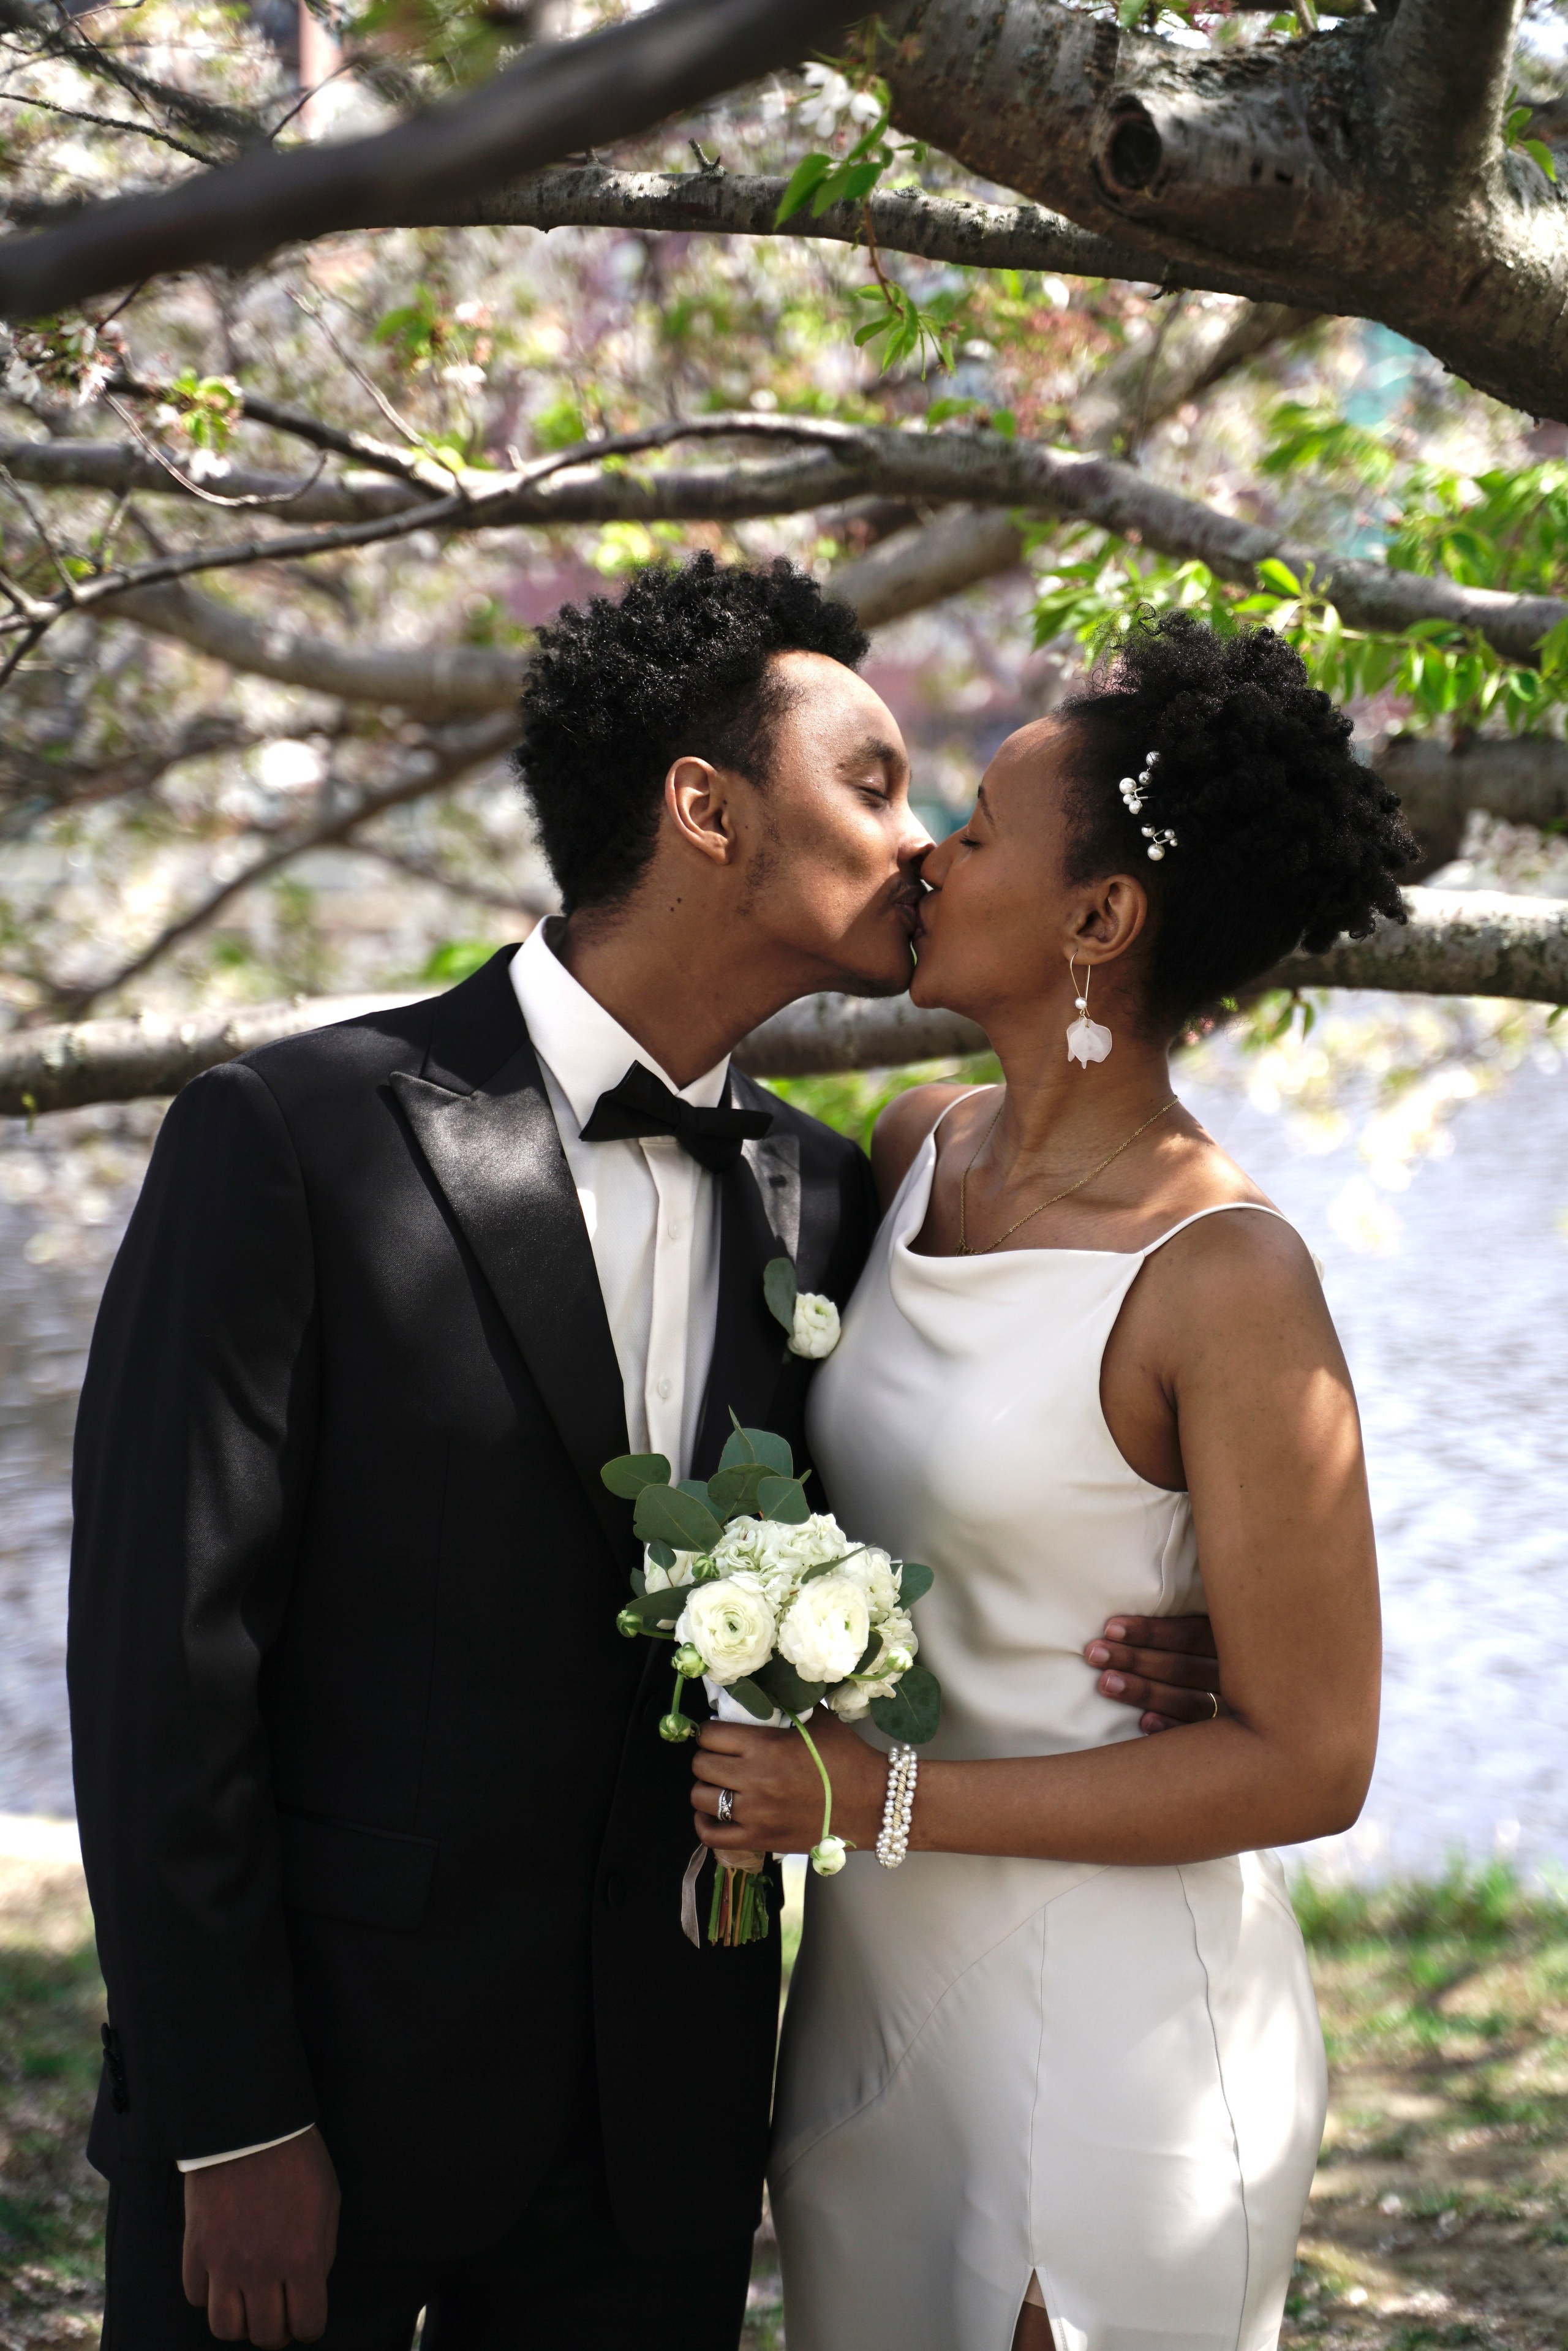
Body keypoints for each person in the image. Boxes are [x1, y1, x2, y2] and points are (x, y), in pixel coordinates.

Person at [67, 557, 1214, 2351]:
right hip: (318, 2117)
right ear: (704, 809)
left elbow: (973, 1470)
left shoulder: (834, 1197)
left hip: (657, 2147)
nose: (920, 845)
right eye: (873, 783)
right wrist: (233, 2114)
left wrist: (1174, 1625)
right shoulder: (290, 1143)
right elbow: (158, 1671)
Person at [689, 611, 1408, 2351]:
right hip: (872, 1991)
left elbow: (1316, 1758)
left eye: (984, 830)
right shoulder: (911, 1151)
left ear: (1099, 919)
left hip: (1114, 2033)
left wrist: (881, 1803)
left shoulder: (1227, 1278)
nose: (931, 849)